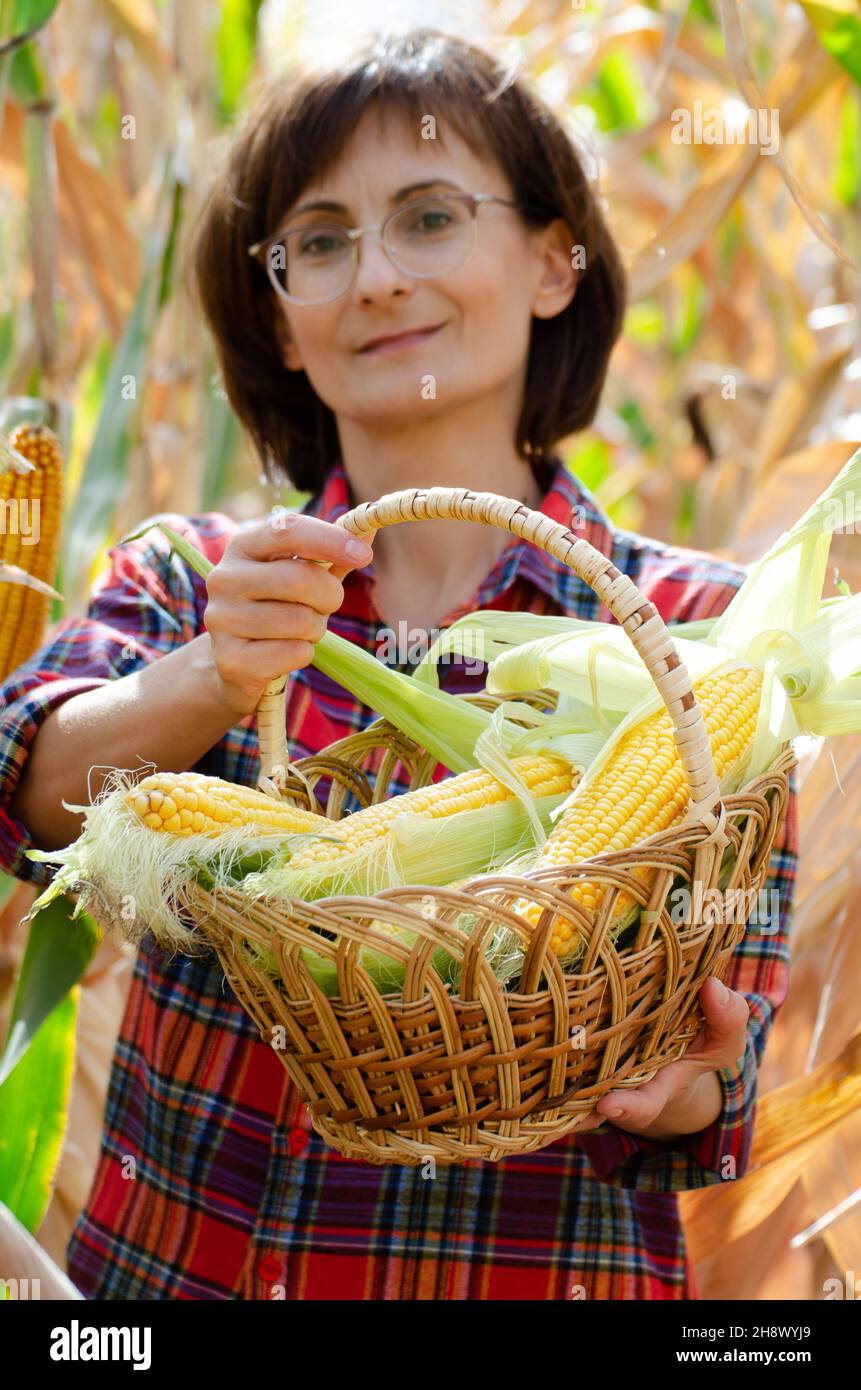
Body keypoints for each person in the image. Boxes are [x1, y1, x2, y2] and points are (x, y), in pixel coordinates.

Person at [0, 28, 797, 1300]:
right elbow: (28, 784)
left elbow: (728, 1027)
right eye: (318, 241)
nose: (373, 278)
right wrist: (211, 673)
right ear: (280, 321)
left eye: (429, 217)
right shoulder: (196, 576)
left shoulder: (695, 633)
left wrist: (682, 1087)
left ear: (552, 261)